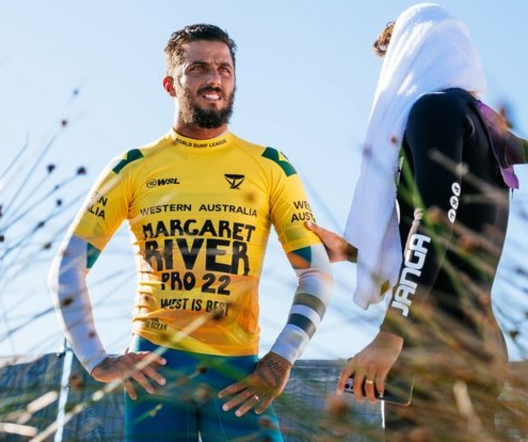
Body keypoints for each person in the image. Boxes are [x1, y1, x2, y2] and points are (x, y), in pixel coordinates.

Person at [48, 23, 334, 441]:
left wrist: (282, 358)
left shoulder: (272, 166)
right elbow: (67, 268)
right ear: (170, 84)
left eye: (224, 69)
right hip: (156, 370)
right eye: (199, 68)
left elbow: (316, 270)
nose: (215, 79)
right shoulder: (132, 167)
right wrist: (96, 361)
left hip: (238, 373)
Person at [307, 3, 528, 440]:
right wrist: (352, 252)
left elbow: (433, 224)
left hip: (433, 345)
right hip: (479, 341)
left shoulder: (435, 110)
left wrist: (392, 334)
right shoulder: (481, 122)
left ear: (414, 51)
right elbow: (455, 230)